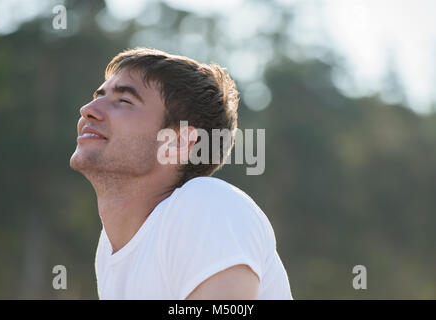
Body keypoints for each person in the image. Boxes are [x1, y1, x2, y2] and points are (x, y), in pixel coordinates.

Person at [69, 47, 293, 300]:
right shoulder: (110, 247)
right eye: (98, 96)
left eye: (124, 101)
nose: (87, 109)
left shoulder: (206, 204)